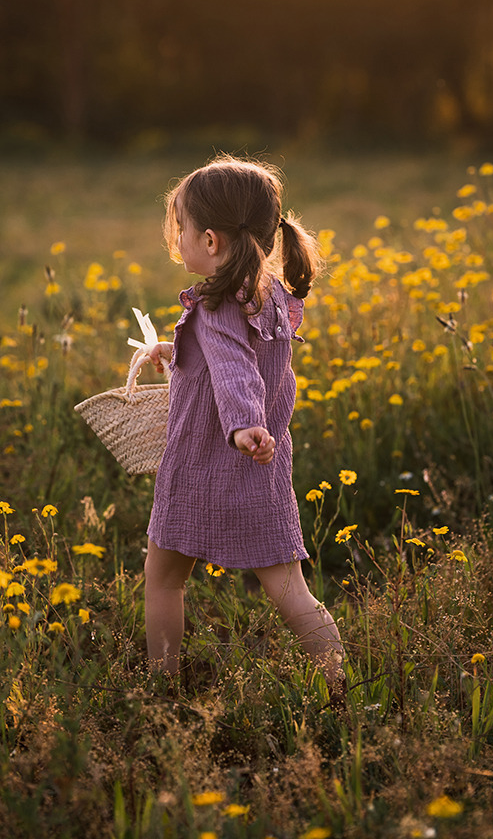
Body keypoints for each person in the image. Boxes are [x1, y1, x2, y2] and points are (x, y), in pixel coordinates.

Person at [144, 155, 345, 698]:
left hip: (201, 470)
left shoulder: (214, 304)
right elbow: (236, 355)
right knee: (292, 593)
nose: (178, 239)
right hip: (261, 475)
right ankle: (340, 686)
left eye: (181, 229)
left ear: (210, 241)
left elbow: (235, 368)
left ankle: (161, 694)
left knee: (163, 581)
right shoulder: (273, 296)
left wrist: (243, 426)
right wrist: (177, 351)